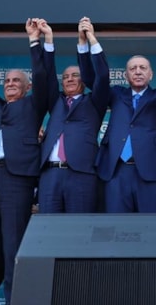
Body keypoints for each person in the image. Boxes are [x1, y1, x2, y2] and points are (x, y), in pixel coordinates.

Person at [0, 18, 51, 304]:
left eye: (17, 81)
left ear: (27, 87)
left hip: (17, 179)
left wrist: (34, 40)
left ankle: (17, 299)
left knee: (13, 244)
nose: (11, 84)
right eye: (7, 81)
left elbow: (42, 76)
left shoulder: (34, 105)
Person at [95, 24, 156, 213]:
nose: (138, 71)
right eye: (133, 68)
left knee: (153, 227)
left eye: (143, 68)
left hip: (152, 172)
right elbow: (95, 80)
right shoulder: (116, 94)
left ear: (151, 74)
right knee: (116, 227)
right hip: (116, 172)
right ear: (126, 75)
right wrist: (90, 42)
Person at [38, 17, 109, 213]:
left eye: (75, 75)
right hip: (50, 175)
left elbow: (102, 75)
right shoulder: (55, 101)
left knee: (79, 227)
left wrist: (87, 40)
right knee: (49, 226)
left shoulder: (94, 102)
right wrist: (48, 39)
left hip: (81, 174)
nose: (69, 79)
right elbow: (47, 73)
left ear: (84, 81)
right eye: (66, 77)